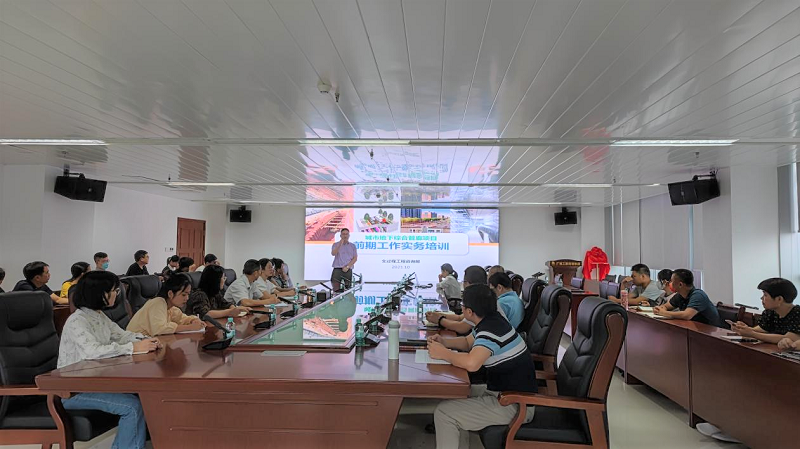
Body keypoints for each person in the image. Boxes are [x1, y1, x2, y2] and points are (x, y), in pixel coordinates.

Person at [58, 270, 159, 449]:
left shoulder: (98, 316)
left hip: (96, 382)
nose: (117, 295)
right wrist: (133, 348)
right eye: (113, 291)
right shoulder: (77, 321)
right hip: (74, 390)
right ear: (99, 293)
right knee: (132, 407)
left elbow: (121, 335)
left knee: (148, 395)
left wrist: (146, 340)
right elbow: (92, 352)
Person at [428, 284, 536, 448]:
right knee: (455, 396)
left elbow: (472, 363)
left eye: (463, 306)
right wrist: (444, 342)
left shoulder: (491, 330)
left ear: (469, 312)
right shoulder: (492, 321)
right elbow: (467, 342)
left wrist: (443, 353)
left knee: (445, 413)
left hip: (515, 404)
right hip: (503, 394)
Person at [127, 274, 204, 336]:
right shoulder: (158, 302)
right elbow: (160, 329)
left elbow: (182, 318)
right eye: (183, 295)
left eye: (188, 294)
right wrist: (190, 327)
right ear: (170, 294)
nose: (187, 298)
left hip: (149, 343)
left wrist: (194, 320)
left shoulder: (171, 307)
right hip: (135, 343)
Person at [730, 278, 800, 344]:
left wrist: (752, 334)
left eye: (765, 295)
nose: (761, 298)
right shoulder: (770, 312)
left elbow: (789, 338)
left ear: (779, 299)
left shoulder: (797, 313)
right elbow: (762, 329)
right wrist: (744, 329)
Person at [426, 265, 488, 334]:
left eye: (464, 281)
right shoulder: (483, 297)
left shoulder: (479, 302)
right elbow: (460, 318)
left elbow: (462, 327)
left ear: (467, 283)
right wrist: (439, 315)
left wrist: (439, 320)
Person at [654, 269, 722, 327]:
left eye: (671, 281)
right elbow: (666, 306)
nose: (669, 283)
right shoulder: (680, 295)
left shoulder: (698, 295)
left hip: (709, 331)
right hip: (692, 327)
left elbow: (687, 315)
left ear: (680, 284)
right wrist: (660, 309)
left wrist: (664, 313)